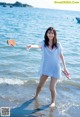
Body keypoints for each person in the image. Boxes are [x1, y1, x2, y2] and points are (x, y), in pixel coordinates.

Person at [26, 27, 70, 108]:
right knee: (40, 85)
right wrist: (31, 46)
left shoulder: (58, 45)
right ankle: (36, 96)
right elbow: (38, 46)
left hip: (55, 68)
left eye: (52, 33)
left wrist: (65, 67)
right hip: (45, 67)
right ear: (46, 34)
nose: (50, 34)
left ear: (54, 34)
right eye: (49, 32)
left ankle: (53, 102)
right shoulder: (43, 43)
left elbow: (61, 56)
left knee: (52, 87)